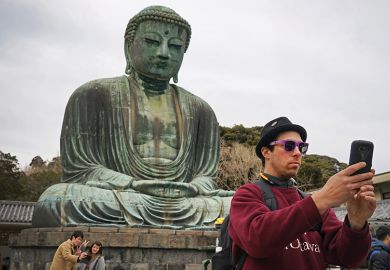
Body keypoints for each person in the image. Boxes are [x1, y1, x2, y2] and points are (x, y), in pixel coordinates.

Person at [32, 5, 233, 229]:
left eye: (175, 46)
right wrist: (132, 184)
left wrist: (194, 187)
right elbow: (81, 170)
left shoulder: (201, 110)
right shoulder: (93, 95)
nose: (164, 53)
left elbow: (206, 176)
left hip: (184, 201)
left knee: (236, 206)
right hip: (122, 196)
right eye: (152, 41)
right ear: (129, 47)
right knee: (56, 200)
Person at [229, 116, 377, 269]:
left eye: (302, 147)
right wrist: (322, 198)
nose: (297, 153)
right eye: (289, 146)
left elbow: (347, 258)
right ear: (266, 152)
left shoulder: (314, 204)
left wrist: (356, 222)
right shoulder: (247, 194)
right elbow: (258, 241)